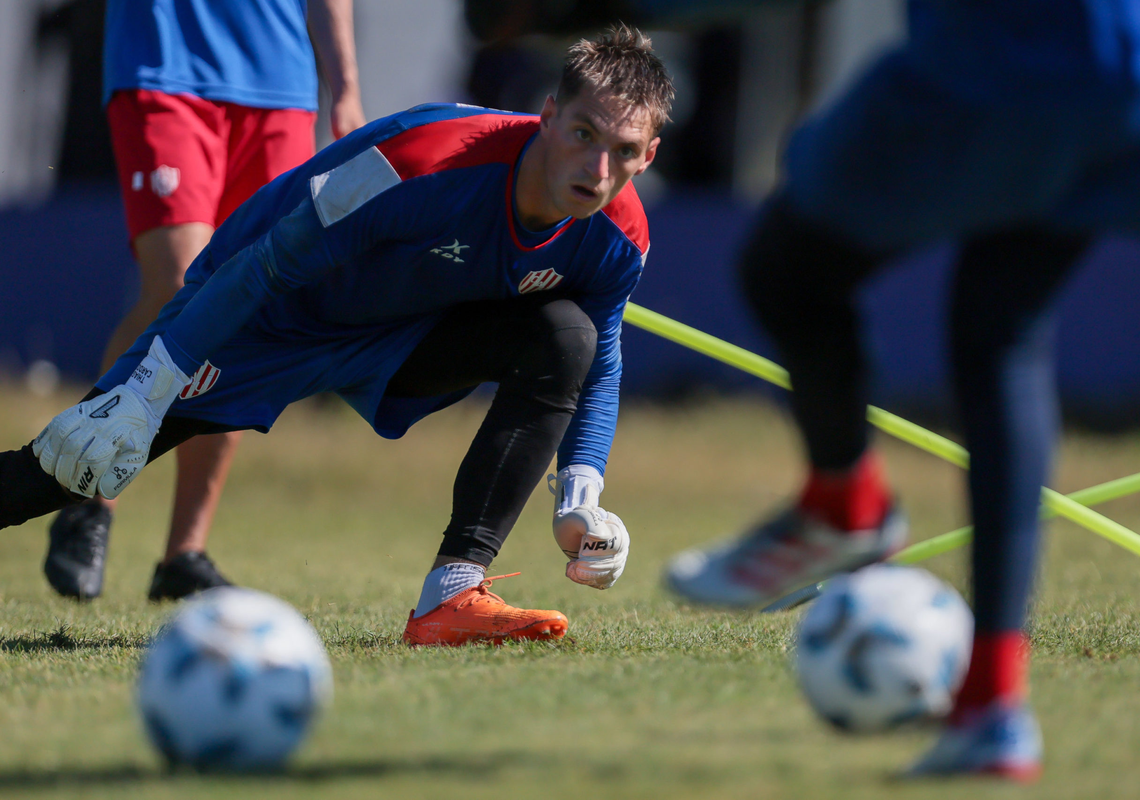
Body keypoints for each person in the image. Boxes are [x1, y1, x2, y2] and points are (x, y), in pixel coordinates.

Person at [469, 0, 1140, 780]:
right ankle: (992, 711)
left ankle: (846, 503)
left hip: (1019, 58)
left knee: (786, 268)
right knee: (1003, 336)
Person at [1, 25, 674, 647]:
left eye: (622, 151)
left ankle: (452, 595)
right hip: (265, 314)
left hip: (402, 337)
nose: (598, 168)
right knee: (67, 468)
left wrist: (583, 493)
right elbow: (262, 266)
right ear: (549, 116)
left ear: (647, 157)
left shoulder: (620, 237)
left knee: (566, 338)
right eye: (584, 133)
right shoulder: (418, 164)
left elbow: (601, 357)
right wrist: (149, 392)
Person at [46, 0, 366, 603]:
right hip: (164, 65)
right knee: (179, 288)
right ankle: (89, 497)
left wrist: (344, 87)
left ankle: (182, 555)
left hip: (279, 86)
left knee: (244, 314)